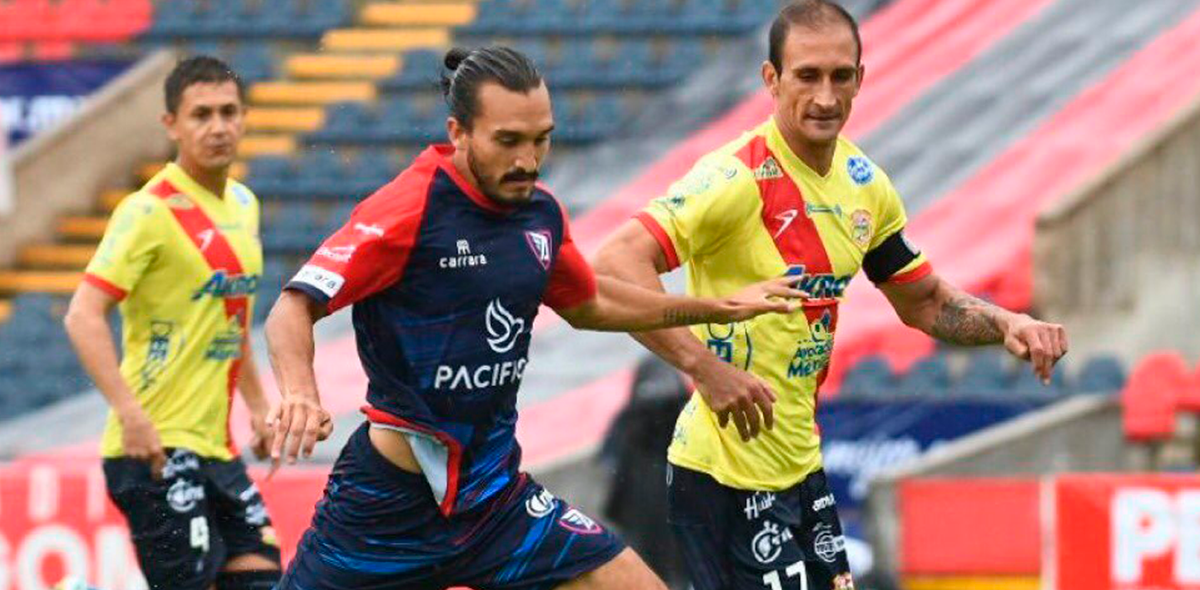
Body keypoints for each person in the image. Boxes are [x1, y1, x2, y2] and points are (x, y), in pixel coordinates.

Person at [264, 46, 804, 590]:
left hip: (497, 504)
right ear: (458, 133)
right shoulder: (407, 210)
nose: (527, 160)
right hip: (385, 511)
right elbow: (293, 306)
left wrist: (715, 309)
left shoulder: (539, 215)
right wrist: (300, 393)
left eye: (540, 139)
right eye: (508, 141)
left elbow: (591, 303)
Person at [592, 2, 1070, 589]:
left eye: (840, 76)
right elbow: (615, 264)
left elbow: (923, 302)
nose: (825, 97)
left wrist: (1005, 323)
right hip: (724, 474)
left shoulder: (864, 186)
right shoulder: (734, 179)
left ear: (860, 79)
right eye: (807, 76)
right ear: (772, 79)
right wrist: (703, 368)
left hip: (800, 467)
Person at [63, 56, 281, 590]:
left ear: (244, 117)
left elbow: (231, 319)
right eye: (201, 114)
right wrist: (130, 415)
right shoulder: (148, 212)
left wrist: (258, 407)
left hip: (216, 448)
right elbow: (83, 315)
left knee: (262, 577)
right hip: (153, 447)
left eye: (228, 112)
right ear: (171, 125)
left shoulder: (244, 204)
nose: (218, 126)